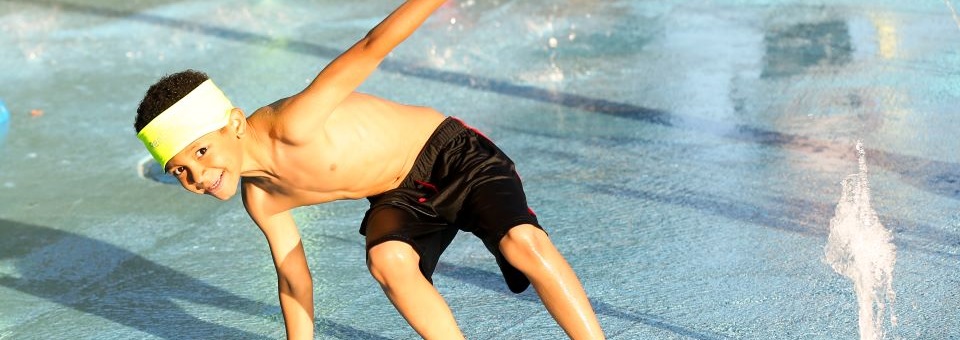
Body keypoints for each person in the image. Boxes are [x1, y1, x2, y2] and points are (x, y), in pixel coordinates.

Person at [133, 0, 604, 339]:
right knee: (387, 260)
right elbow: (294, 278)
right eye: (179, 170)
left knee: (522, 242)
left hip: (448, 152)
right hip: (398, 195)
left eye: (200, 153)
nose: (196, 175)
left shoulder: (294, 123)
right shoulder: (262, 198)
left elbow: (372, 46)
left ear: (234, 123)